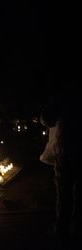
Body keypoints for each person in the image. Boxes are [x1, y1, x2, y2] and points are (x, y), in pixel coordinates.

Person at [39, 86, 81, 247]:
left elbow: (46, 118)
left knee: (64, 191)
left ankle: (62, 231)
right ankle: (76, 231)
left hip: (67, 148)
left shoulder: (62, 95)